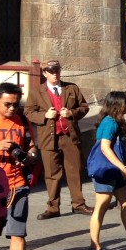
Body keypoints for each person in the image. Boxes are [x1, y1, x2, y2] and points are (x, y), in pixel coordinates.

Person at [24, 59, 93, 219]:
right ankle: (53, 207)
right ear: (44, 73)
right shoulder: (36, 92)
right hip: (48, 138)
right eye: (51, 71)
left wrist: (72, 113)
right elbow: (28, 112)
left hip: (70, 136)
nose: (55, 74)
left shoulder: (71, 88)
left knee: (74, 170)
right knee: (51, 174)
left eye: (57, 70)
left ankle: (78, 204)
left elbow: (84, 107)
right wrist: (44, 115)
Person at [88, 91, 126, 250]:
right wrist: (123, 168)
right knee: (102, 205)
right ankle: (94, 245)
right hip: (107, 171)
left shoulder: (114, 122)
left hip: (114, 171)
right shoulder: (110, 123)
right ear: (117, 105)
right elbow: (105, 148)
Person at [0, 82, 37, 250]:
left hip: (16, 185)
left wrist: (28, 158)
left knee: (18, 233)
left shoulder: (22, 120)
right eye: (7, 104)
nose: (12, 108)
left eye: (16, 104)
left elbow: (32, 148)